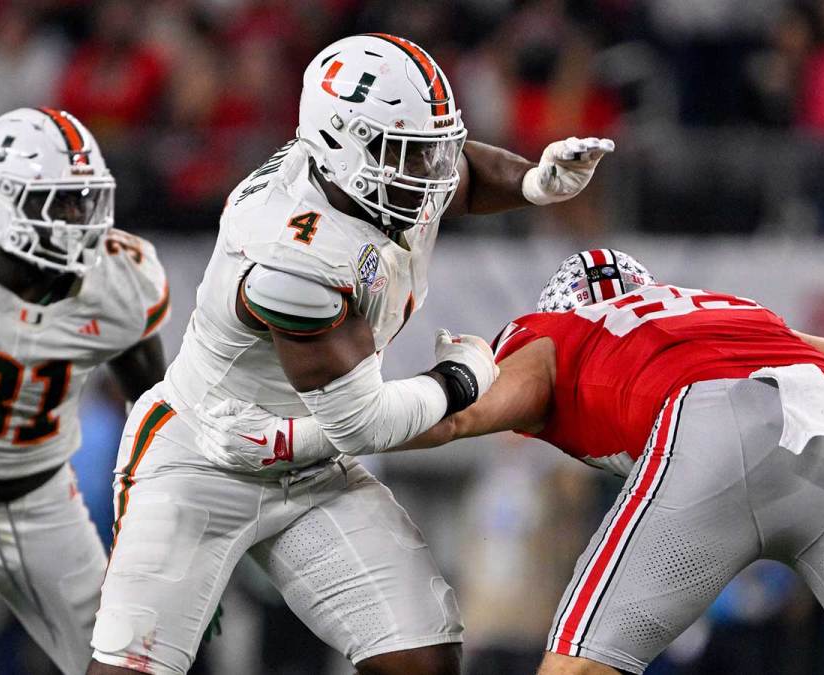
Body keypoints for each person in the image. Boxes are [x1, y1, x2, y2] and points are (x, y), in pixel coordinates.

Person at [198, 248, 824, 675]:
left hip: (709, 433)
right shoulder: (728, 309)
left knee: (580, 665)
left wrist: (303, 434)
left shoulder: (551, 335)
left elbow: (444, 421)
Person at [87, 34, 613, 675]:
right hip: (201, 461)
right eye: (410, 154)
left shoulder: (369, 181)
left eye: (430, 149)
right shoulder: (294, 259)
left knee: (423, 657)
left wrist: (535, 183)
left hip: (305, 464)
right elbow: (362, 425)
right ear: (342, 145)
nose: (432, 173)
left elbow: (460, 171)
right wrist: (464, 377)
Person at [0, 108, 169, 675]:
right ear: (0, 201)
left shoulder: (119, 282)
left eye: (86, 200)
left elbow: (157, 412)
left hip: (47, 505)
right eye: (61, 203)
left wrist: (161, 526)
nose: (81, 221)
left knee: (135, 663)